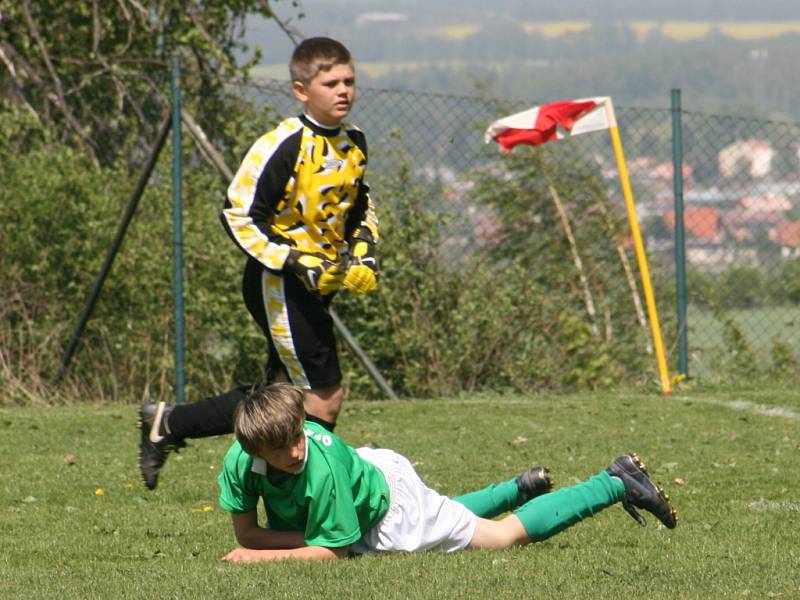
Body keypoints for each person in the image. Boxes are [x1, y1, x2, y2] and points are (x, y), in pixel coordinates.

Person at [138, 37, 380, 490]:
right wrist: (295, 261)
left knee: (279, 399)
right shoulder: (284, 142)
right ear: (301, 90)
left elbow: (360, 204)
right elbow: (238, 213)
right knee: (324, 398)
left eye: (349, 81)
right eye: (331, 83)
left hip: (317, 287)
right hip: (278, 285)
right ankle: (306, 496)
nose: (343, 90)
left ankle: (169, 424)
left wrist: (365, 249)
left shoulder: (354, 142)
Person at [217, 383, 678, 563]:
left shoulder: (324, 467)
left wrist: (260, 556)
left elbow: (335, 550)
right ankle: (519, 488)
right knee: (447, 514)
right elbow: (248, 532)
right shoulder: (239, 463)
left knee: (499, 539)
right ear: (253, 449)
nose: (296, 450)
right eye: (280, 449)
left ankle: (616, 481)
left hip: (386, 509)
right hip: (369, 475)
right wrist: (278, 543)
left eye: (299, 435)